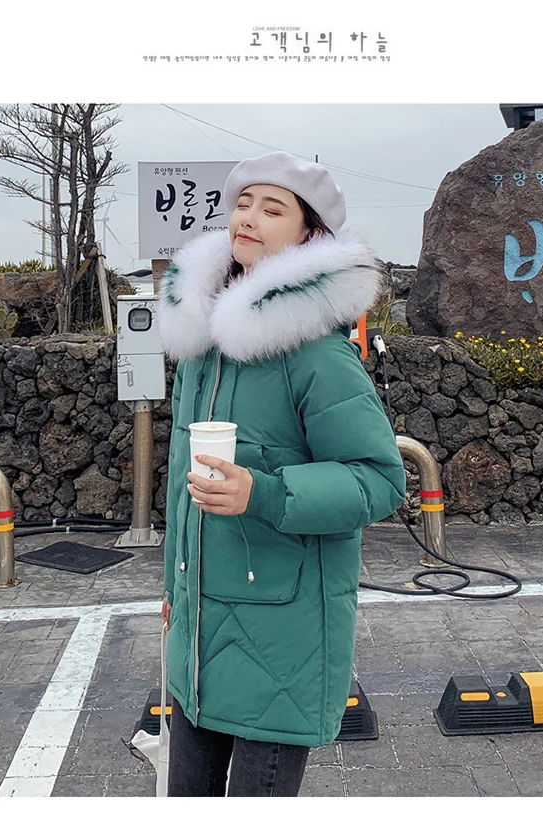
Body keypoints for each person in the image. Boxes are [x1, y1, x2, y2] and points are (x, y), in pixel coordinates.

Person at [156, 151, 406, 797]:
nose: (249, 217)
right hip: (198, 622)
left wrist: (263, 492)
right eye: (243, 203)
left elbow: (378, 478)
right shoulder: (202, 349)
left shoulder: (317, 353)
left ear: (308, 236)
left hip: (281, 634)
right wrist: (173, 585)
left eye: (273, 209)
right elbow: (182, 485)